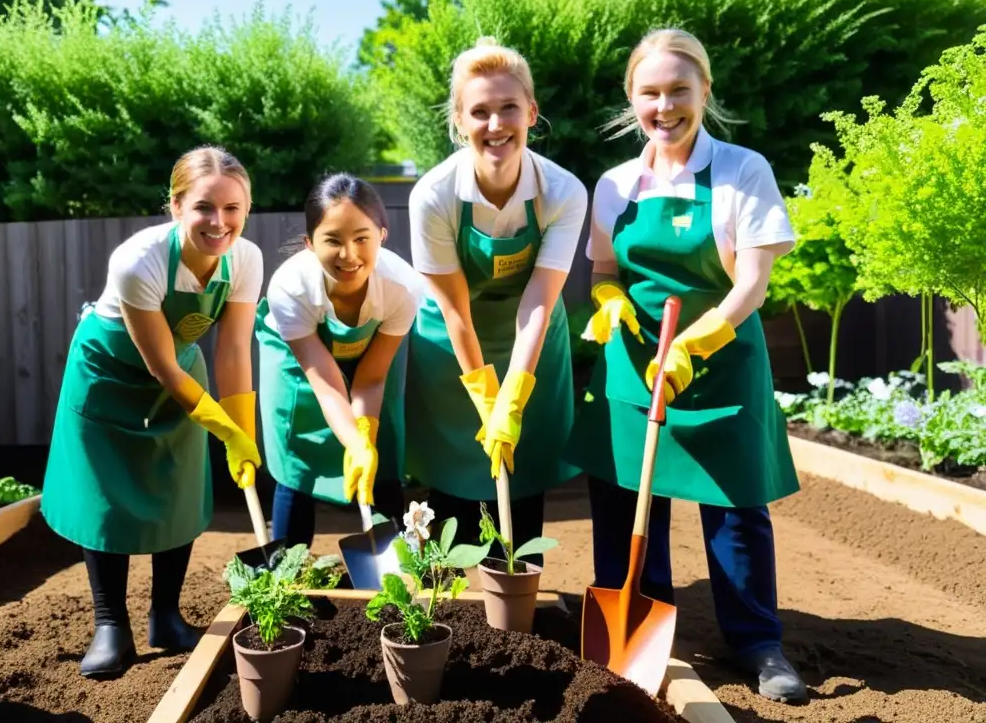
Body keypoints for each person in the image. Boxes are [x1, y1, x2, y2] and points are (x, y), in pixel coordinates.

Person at [565, 28, 808, 703]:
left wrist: (693, 347)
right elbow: (606, 269)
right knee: (624, 500)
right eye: (651, 93)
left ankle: (758, 643)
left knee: (735, 505)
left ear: (704, 90)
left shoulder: (741, 171)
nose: (665, 106)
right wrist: (609, 303)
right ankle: (645, 631)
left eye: (679, 90)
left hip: (721, 361)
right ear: (631, 99)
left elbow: (752, 284)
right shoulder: (614, 185)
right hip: (632, 360)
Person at [40, 146, 264, 678]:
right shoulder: (137, 261)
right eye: (205, 208)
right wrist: (219, 426)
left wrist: (242, 430)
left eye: (233, 209)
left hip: (183, 375)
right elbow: (160, 365)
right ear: (176, 206)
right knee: (107, 500)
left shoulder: (246, 260)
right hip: (111, 375)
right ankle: (110, 625)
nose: (220, 222)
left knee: (177, 488)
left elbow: (233, 349)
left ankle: (166, 615)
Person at [404, 37, 588, 561]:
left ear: (531, 111)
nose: (495, 124)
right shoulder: (434, 196)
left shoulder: (563, 192)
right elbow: (454, 307)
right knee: (456, 481)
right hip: (454, 347)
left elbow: (539, 297)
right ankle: (452, 607)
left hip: (530, 341)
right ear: (460, 120)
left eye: (509, 107)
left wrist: (516, 391)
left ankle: (517, 599)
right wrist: (488, 396)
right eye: (479, 111)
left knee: (522, 476)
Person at [256, 174, 424, 547]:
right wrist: (351, 440)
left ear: (382, 234)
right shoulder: (290, 287)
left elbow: (372, 378)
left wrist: (362, 436)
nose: (349, 255)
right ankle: (287, 576)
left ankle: (398, 565)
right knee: (299, 457)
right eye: (332, 240)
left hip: (370, 352)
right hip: (297, 359)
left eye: (362, 238)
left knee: (383, 446)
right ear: (309, 244)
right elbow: (326, 382)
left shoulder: (403, 288)